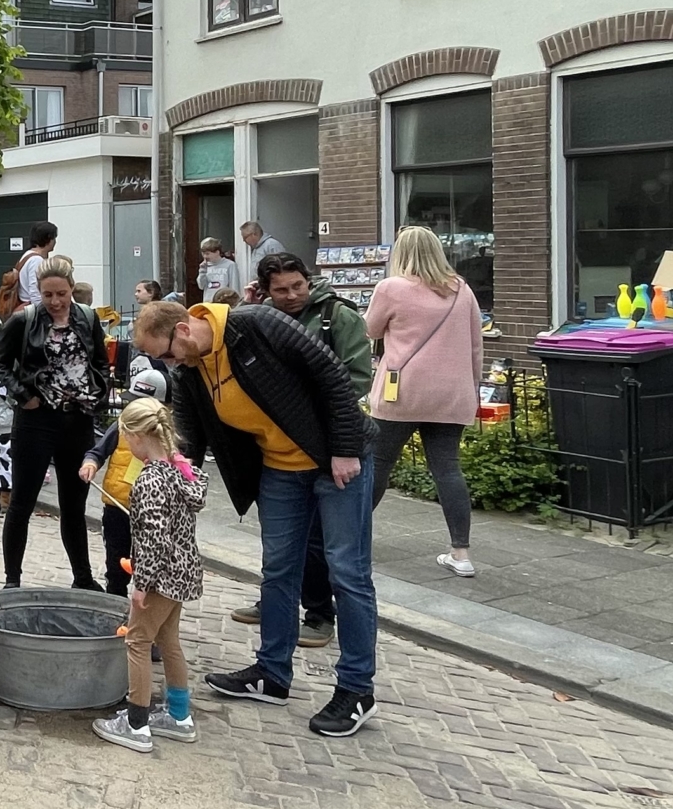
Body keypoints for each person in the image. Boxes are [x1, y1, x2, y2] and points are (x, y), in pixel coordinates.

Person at [133, 299, 378, 738]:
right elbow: (189, 434)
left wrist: (344, 447)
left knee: (347, 571)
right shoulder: (191, 370)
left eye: (166, 354)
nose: (165, 364)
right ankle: (272, 674)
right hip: (281, 469)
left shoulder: (256, 325)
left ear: (184, 331)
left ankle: (357, 689)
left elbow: (332, 377)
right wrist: (171, 476)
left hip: (335, 459)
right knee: (278, 569)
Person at [230, 252, 373, 648]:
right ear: (265, 291)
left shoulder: (337, 317)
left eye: (297, 286)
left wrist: (300, 406)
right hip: (278, 449)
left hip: (327, 445)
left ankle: (320, 613)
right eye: (280, 290)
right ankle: (277, 604)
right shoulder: (259, 317)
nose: (292, 295)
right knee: (280, 546)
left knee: (325, 544)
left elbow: (356, 378)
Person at [83, 398, 208, 754]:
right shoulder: (181, 472)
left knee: (137, 642)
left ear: (138, 437)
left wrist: (141, 583)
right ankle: (179, 716)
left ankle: (136, 722)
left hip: (159, 577)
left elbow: (154, 537)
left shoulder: (150, 480)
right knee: (169, 641)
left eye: (126, 439)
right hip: (182, 575)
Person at [367, 226, 486, 578]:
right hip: (451, 395)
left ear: (401, 254)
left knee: (377, 464)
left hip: (401, 392)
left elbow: (371, 330)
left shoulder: (391, 288)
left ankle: (352, 536)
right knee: (448, 469)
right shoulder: (462, 290)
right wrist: (472, 389)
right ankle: (460, 552)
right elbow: (476, 346)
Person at [0, 256, 115, 592]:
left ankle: (83, 577)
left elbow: (101, 362)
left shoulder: (88, 318)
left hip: (77, 418)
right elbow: (1, 362)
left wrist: (99, 393)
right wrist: (23, 395)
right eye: (48, 295)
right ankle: (12, 579)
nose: (55, 301)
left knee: (74, 504)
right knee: (23, 501)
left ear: (72, 289)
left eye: (61, 293)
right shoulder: (25, 320)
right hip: (36, 420)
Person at [13, 222, 59, 315]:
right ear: (48, 239)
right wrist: (44, 315)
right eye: (54, 238)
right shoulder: (36, 260)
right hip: (32, 309)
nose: (55, 242)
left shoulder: (27, 255)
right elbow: (35, 292)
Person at [238, 222, 287, 301]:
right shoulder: (256, 249)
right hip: (260, 290)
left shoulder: (271, 245)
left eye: (245, 237)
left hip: (270, 291)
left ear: (254, 234)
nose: (244, 241)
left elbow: (281, 267)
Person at [194, 238, 239, 306]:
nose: (205, 256)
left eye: (208, 254)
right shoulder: (205, 266)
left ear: (217, 252)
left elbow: (234, 286)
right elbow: (201, 286)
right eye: (203, 254)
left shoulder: (230, 265)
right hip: (208, 303)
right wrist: (202, 272)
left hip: (224, 303)